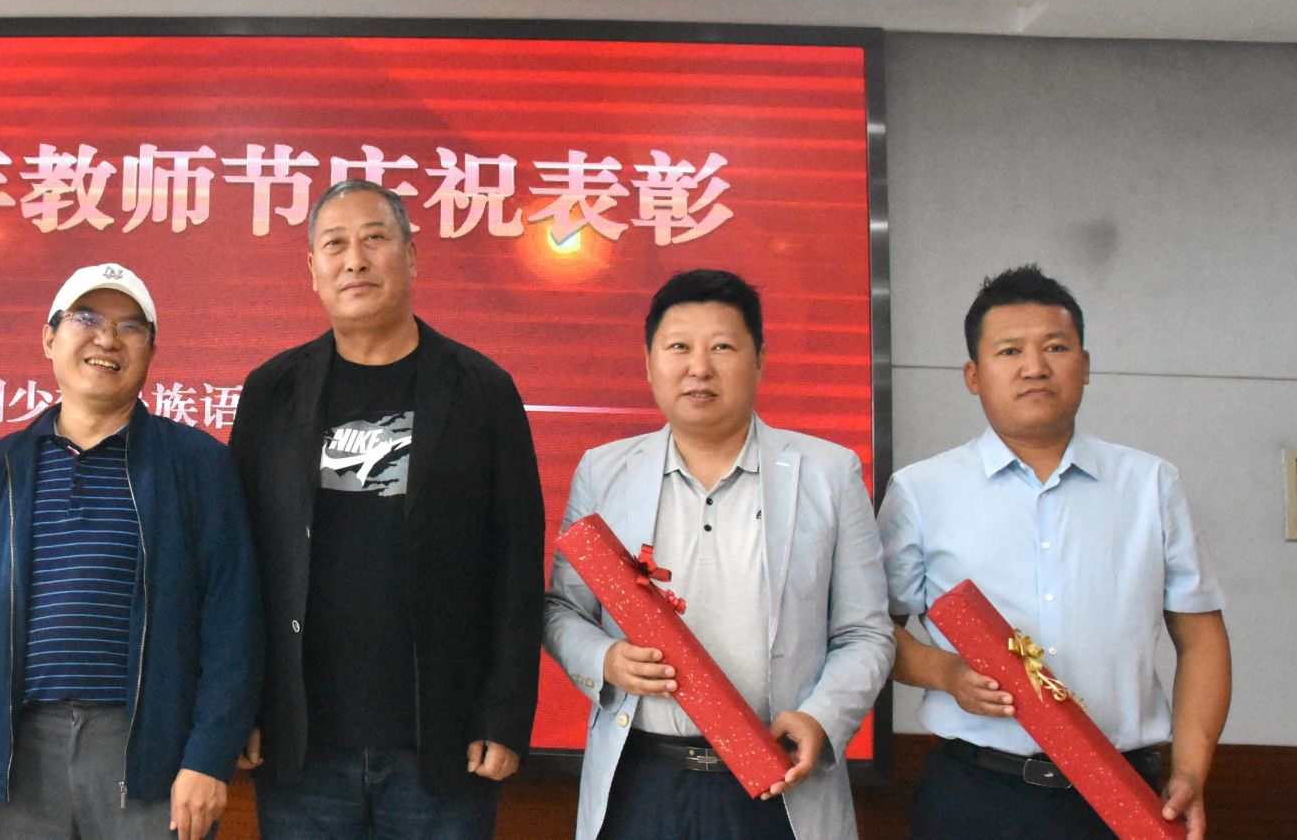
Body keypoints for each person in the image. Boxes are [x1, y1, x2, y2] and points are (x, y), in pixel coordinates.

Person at [228, 180, 545, 839]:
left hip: (443, 744)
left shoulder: (482, 390)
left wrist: (506, 715)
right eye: (334, 244)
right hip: (301, 745)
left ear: (411, 254)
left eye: (374, 238)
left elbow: (516, 563)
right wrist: (240, 708)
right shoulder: (272, 392)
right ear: (312, 268)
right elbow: (239, 566)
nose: (355, 259)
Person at [880, 265, 1230, 840]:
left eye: (1056, 347)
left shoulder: (1149, 484)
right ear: (973, 375)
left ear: (1085, 365)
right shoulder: (922, 491)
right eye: (1009, 351)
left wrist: (1190, 771)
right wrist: (946, 672)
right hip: (975, 794)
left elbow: (1201, 639)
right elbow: (872, 634)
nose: (1034, 367)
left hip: (1122, 792)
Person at [543, 268, 893, 840]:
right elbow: (562, 609)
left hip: (778, 778)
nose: (699, 367)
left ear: (760, 360)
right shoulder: (604, 471)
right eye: (679, 347)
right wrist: (605, 659)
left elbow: (866, 632)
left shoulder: (829, 474)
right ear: (649, 362)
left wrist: (823, 717)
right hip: (641, 779)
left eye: (723, 347)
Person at [0, 263, 261, 840]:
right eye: (86, 319)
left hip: (150, 754)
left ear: (151, 351)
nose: (107, 338)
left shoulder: (197, 465)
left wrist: (209, 755)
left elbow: (233, 623)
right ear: (49, 338)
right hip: (18, 755)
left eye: (130, 327)